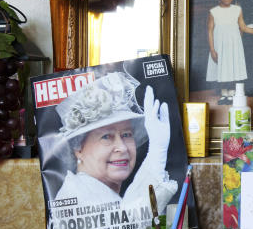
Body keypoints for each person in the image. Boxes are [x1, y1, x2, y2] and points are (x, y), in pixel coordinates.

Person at [54, 72, 178, 212]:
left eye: (126, 134)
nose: (122, 148)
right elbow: (131, 221)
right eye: (106, 136)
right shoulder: (77, 196)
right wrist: (157, 153)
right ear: (78, 148)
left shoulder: (98, 192)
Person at [207, 0, 248, 105]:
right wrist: (212, 49)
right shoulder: (214, 11)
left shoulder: (237, 10)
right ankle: (224, 93)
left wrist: (236, 40)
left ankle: (231, 93)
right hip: (220, 46)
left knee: (232, 68)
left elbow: (242, 28)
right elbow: (210, 31)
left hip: (233, 46)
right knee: (222, 68)